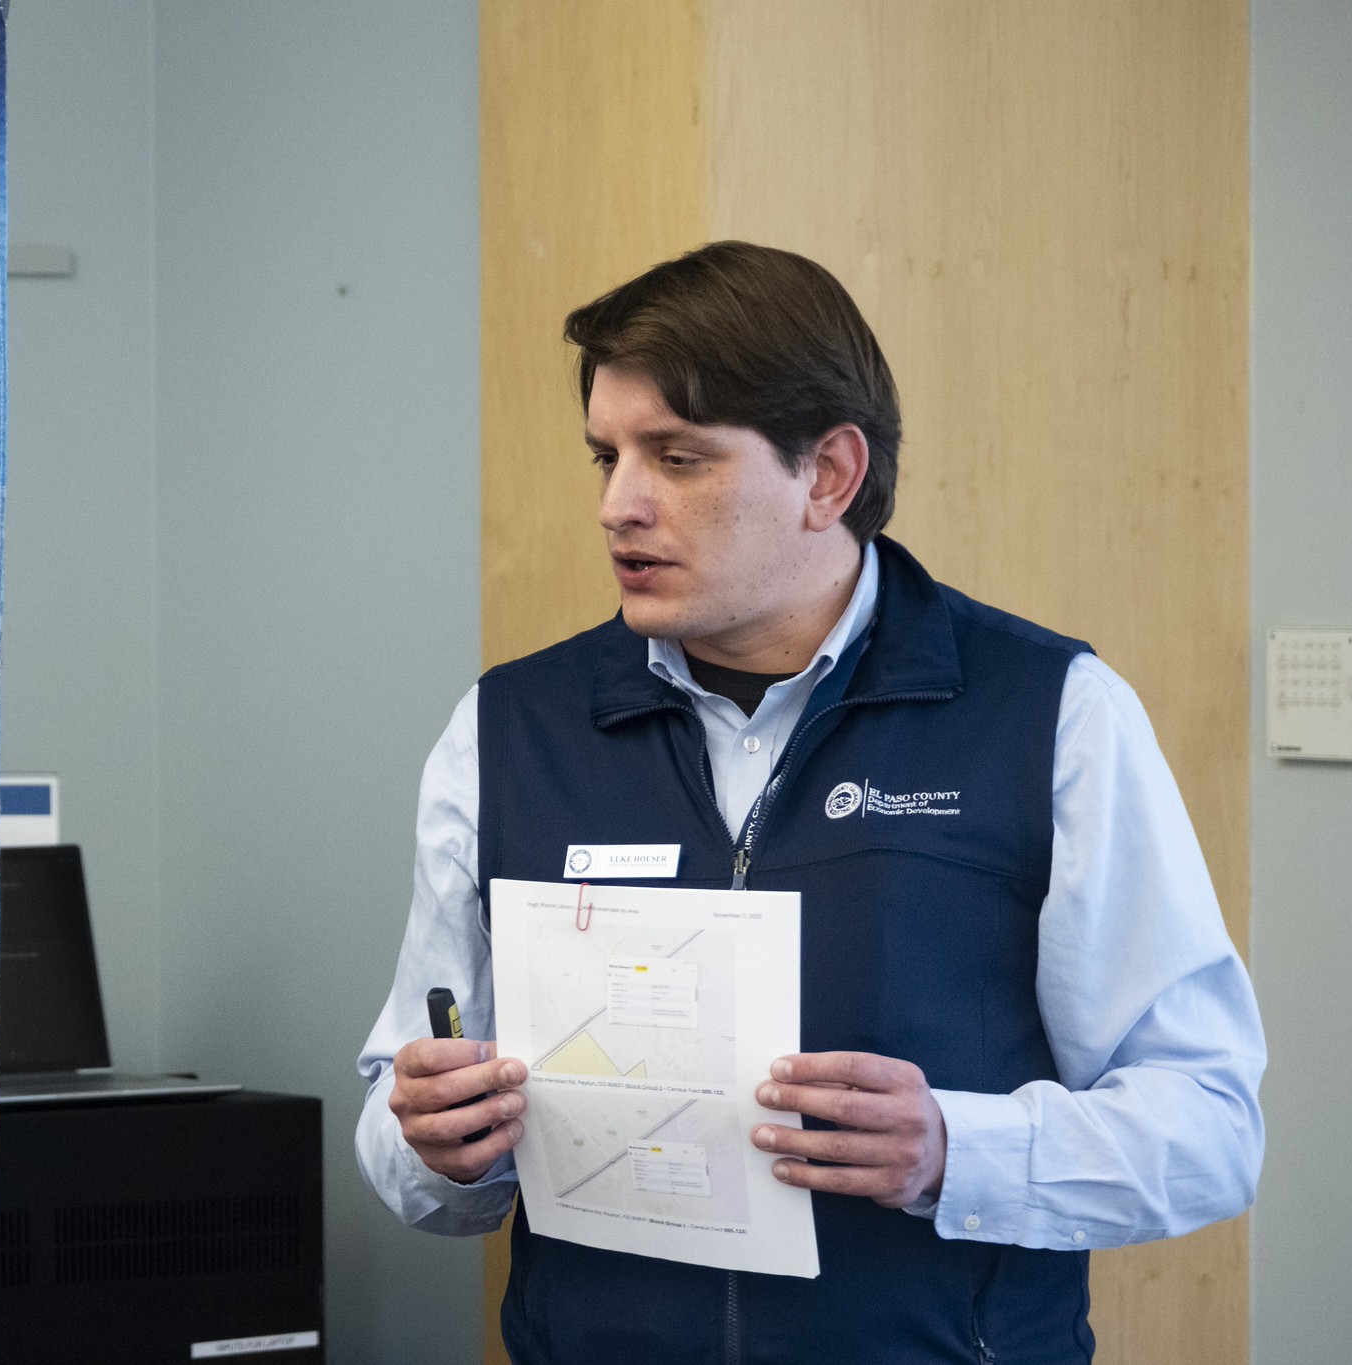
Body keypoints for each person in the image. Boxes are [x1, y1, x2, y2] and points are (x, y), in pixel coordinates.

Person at [355, 242, 1265, 1364]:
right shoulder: (505, 730)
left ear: (828, 475)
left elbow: (1210, 1129)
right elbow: (415, 1151)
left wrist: (947, 1148)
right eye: (605, 459)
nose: (618, 507)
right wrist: (440, 1145)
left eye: (677, 459)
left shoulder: (1053, 715)